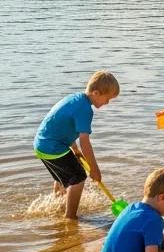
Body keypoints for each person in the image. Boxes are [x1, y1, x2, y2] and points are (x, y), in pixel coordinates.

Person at [33, 70, 120, 220]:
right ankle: (70, 216)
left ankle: (59, 204)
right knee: (78, 177)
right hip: (54, 147)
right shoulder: (85, 110)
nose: (107, 103)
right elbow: (85, 142)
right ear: (96, 93)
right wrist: (94, 168)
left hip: (41, 145)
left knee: (63, 177)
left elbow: (64, 126)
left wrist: (75, 149)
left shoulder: (75, 99)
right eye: (107, 99)